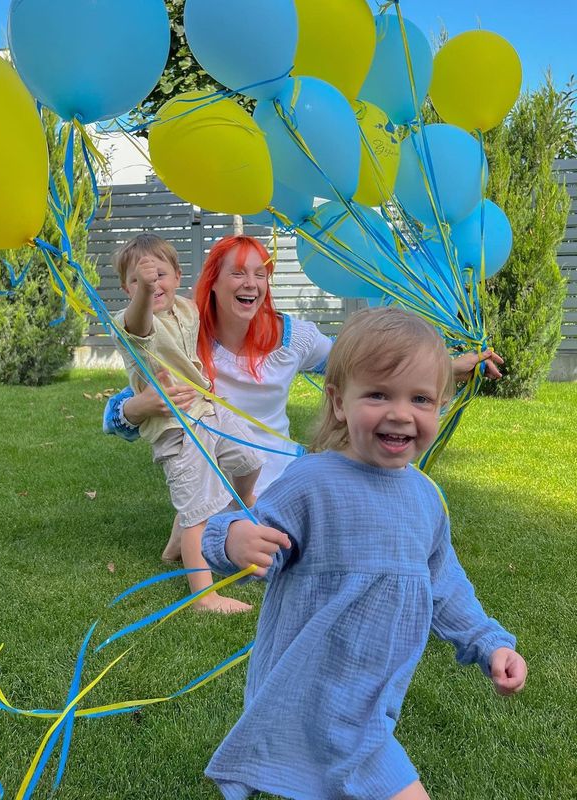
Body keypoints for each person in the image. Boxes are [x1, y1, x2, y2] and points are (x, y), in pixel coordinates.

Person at [201, 307, 527, 800]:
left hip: (368, 697)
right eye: (378, 394)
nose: (400, 413)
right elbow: (248, 535)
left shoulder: (425, 498)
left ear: (441, 405)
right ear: (339, 403)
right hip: (309, 690)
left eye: (421, 399)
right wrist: (234, 539)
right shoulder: (312, 482)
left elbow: (444, 585)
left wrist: (489, 643)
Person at [104, 235, 504, 560]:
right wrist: (137, 407)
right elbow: (118, 414)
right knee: (271, 551)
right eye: (237, 273)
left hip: (281, 470)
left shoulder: (290, 336)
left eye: (260, 274)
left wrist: (450, 366)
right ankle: (202, 528)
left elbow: (362, 364)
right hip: (219, 472)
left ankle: (202, 529)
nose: (250, 283)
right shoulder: (185, 337)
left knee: (346, 530)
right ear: (213, 282)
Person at [110, 233, 264, 613]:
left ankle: (236, 505)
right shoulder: (129, 323)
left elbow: (220, 299)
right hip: (176, 428)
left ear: (178, 276)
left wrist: (243, 280)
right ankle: (203, 597)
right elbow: (140, 321)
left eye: (160, 275)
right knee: (198, 514)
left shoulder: (186, 308)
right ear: (127, 289)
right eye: (138, 280)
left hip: (207, 408)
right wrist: (146, 291)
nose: (152, 284)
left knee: (250, 459)